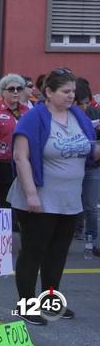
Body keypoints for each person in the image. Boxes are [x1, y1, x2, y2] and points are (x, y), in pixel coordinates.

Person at [7, 68, 100, 325]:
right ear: (48, 92)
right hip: (39, 199)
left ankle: (49, 302)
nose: (71, 96)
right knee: (33, 252)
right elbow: (20, 157)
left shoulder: (77, 117)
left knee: (58, 254)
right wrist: (31, 195)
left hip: (69, 200)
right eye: (65, 91)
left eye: (73, 91)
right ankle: (26, 306)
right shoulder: (34, 118)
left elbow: (89, 152)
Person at [0, 74, 29, 232]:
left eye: (19, 89)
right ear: (2, 92)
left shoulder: (28, 111)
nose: (16, 92)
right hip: (3, 164)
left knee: (24, 199)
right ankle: (3, 237)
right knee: (5, 202)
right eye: (11, 89)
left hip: (24, 163)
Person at [74, 78, 100, 253]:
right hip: (73, 165)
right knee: (72, 202)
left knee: (90, 204)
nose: (85, 107)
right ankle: (73, 231)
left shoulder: (93, 113)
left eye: (87, 103)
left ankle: (91, 238)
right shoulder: (65, 115)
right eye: (81, 103)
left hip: (92, 165)